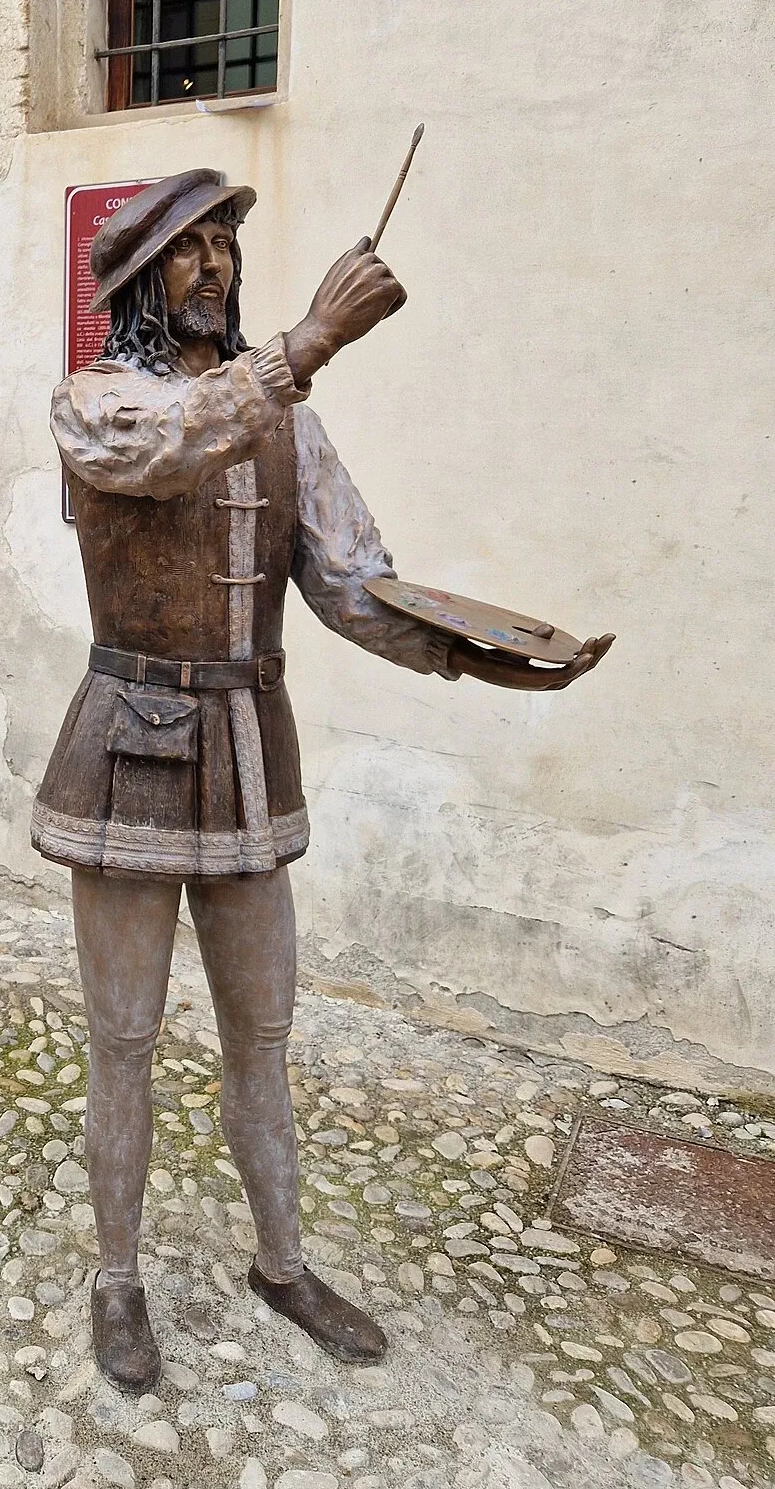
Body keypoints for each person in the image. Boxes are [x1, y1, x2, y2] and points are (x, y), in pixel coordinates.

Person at [32, 167, 612, 1394]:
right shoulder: (97, 400)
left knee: (265, 1032)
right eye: (187, 251)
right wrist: (305, 343)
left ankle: (282, 1262)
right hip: (128, 745)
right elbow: (164, 451)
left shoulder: (286, 416)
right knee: (123, 1040)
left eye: (225, 250)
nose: (214, 269)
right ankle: (118, 1278)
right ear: (138, 277)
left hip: (247, 747)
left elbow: (351, 579)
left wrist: (471, 648)